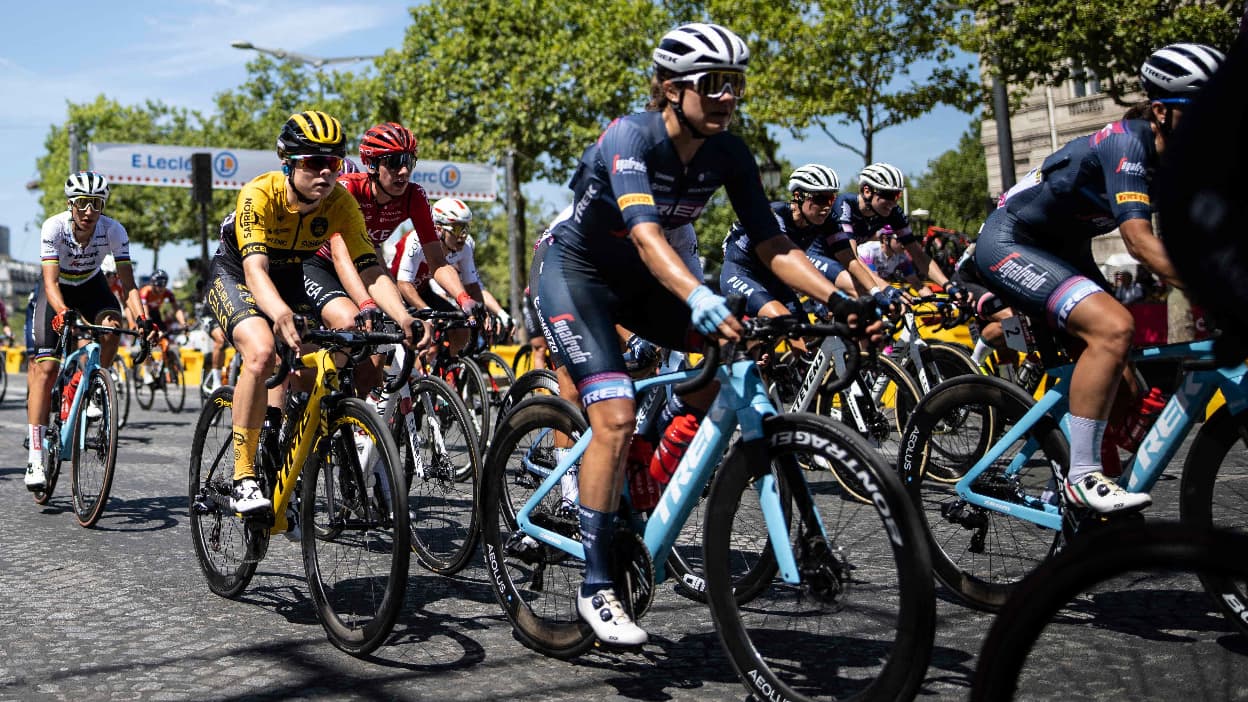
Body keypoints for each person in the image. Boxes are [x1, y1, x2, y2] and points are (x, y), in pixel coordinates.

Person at [532, 23, 871, 647]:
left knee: (733, 351)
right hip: (575, 273)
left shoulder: (729, 153)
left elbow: (774, 244)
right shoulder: (629, 137)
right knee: (611, 409)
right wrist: (698, 294)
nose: (726, 98)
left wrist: (845, 298)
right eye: (712, 84)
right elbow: (644, 233)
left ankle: (648, 468)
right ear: (668, 87)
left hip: (643, 280)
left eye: (735, 85)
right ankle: (597, 583)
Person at [974, 43, 1224, 514]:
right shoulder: (1125, 142)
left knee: (1128, 387)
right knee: (1113, 327)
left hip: (1065, 250)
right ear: (1161, 112)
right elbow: (1139, 241)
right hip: (1011, 240)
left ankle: (1066, 485)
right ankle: (1081, 478)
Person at [203, 110, 419, 514]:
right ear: (287, 162)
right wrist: (282, 315)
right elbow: (255, 269)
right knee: (262, 350)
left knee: (353, 331)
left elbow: (368, 266)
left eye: (333, 163)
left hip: (293, 272)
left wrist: (404, 318)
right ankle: (244, 475)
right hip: (238, 271)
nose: (326, 173)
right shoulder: (260, 193)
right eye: (314, 163)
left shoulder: (338, 201)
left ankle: (307, 420)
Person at [302, 121, 474, 395]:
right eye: (394, 162)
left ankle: (356, 417)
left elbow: (438, 261)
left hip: (364, 265)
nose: (403, 170)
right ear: (371, 164)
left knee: (375, 360)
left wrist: (464, 299)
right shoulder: (348, 189)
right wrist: (367, 303)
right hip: (320, 264)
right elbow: (340, 252)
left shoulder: (414, 196)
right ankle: (318, 395)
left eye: (408, 161)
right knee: (351, 322)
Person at [25, 171, 147, 490]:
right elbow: (50, 282)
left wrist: (143, 319)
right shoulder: (54, 227)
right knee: (46, 367)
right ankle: (36, 455)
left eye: (95, 203)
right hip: (57, 289)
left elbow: (128, 283)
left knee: (112, 327)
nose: (89, 210)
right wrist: (63, 312)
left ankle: (93, 383)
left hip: (91, 285)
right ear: (71, 205)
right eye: (82, 203)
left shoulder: (113, 230)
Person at [808, 163, 966, 308]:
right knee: (865, 296)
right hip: (820, 256)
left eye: (896, 196)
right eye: (887, 195)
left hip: (846, 262)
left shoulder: (891, 212)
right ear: (867, 191)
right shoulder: (844, 205)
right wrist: (886, 289)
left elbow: (918, 254)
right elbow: (852, 258)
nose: (893, 202)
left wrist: (948, 286)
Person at [720, 163, 867, 317]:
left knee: (804, 331)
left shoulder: (827, 220)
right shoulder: (775, 214)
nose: (827, 206)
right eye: (820, 199)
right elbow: (788, 262)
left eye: (831, 199)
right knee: (781, 318)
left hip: (774, 279)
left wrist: (877, 295)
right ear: (798, 196)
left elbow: (850, 260)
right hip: (742, 272)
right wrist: (827, 299)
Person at [391, 197, 503, 356]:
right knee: (426, 343)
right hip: (397, 292)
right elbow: (403, 284)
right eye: (457, 229)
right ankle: (417, 377)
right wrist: (427, 312)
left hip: (423, 291)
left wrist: (481, 313)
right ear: (438, 229)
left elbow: (471, 285)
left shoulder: (465, 246)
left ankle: (450, 369)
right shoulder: (416, 240)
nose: (463, 235)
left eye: (466, 228)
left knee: (462, 327)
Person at [857, 226, 933, 296]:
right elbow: (874, 280)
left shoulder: (901, 256)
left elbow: (916, 283)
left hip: (875, 288)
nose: (904, 243)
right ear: (885, 239)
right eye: (899, 239)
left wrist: (935, 301)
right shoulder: (868, 251)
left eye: (905, 238)